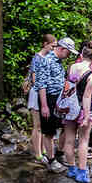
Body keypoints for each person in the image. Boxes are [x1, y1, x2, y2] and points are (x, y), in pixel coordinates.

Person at [57, 42, 92, 183]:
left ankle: (71, 169)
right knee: (83, 141)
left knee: (69, 140)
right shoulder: (91, 75)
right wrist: (86, 116)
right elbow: (87, 97)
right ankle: (81, 173)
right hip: (82, 110)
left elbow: (67, 86)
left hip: (69, 108)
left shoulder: (72, 67)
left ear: (81, 55)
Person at [34, 37, 76, 172]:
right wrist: (45, 105)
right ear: (62, 49)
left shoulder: (59, 62)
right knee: (49, 131)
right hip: (48, 98)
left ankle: (59, 153)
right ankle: (51, 160)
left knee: (65, 126)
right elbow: (41, 85)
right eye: (68, 52)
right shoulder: (46, 60)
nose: (68, 55)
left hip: (60, 99)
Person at [24, 34, 58, 167]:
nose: (54, 48)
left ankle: (43, 150)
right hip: (36, 93)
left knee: (43, 126)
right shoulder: (37, 58)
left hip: (44, 94)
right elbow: (34, 79)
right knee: (37, 126)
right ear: (45, 44)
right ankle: (38, 154)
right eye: (52, 46)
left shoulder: (49, 58)